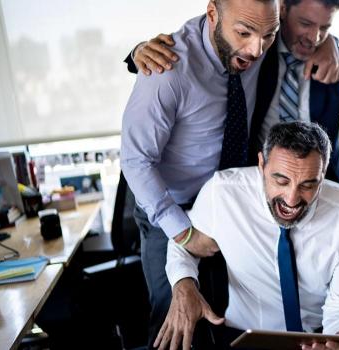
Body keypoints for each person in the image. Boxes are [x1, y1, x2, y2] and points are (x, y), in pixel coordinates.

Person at [128, 0, 339, 232]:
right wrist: (138, 50)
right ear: (282, 10)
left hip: (321, 197)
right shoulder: (255, 51)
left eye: (324, 28)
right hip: (253, 199)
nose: (313, 38)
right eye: (305, 23)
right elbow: (218, 28)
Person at [156, 121, 339, 350]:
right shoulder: (223, 193)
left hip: (319, 335)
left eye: (308, 184)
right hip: (245, 337)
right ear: (262, 165)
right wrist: (183, 283)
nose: (292, 199)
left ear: (324, 173)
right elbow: (182, 242)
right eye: (281, 180)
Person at [120, 0, 280, 346]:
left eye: (268, 35)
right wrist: (184, 234)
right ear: (212, 15)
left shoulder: (261, 34)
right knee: (175, 319)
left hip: (228, 200)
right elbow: (135, 161)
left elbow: (307, 25)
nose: (256, 49)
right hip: (170, 203)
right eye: (244, 33)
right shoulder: (167, 70)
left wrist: (326, 46)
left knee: (231, 313)